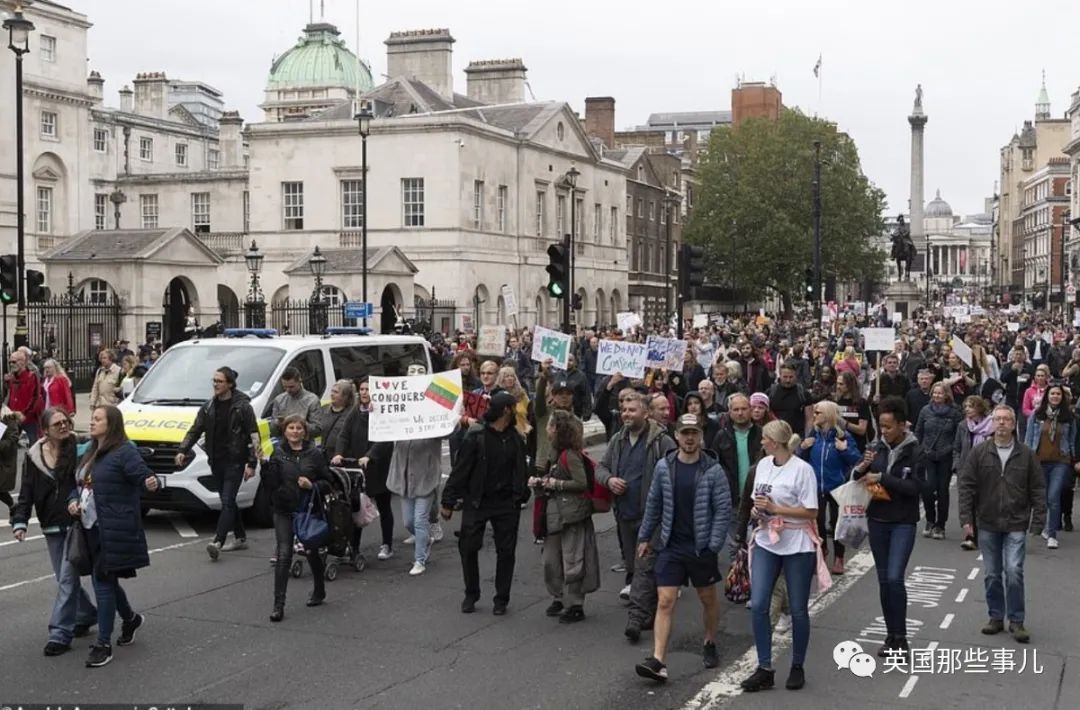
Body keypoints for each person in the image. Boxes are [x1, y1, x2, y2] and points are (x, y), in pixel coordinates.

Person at [634, 413, 731, 683]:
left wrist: (713, 544)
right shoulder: (665, 467)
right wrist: (644, 538)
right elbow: (653, 504)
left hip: (700, 548)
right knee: (665, 600)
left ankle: (710, 641)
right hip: (671, 546)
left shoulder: (712, 469)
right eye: (685, 433)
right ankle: (658, 660)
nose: (689, 438)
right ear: (676, 436)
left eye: (694, 433)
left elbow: (722, 510)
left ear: (701, 436)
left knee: (707, 597)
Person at [67, 405, 159, 668]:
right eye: (92, 418)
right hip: (89, 528)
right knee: (105, 579)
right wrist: (72, 501)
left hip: (114, 529)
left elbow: (146, 478)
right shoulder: (89, 450)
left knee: (102, 582)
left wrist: (152, 482)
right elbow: (77, 485)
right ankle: (130, 619)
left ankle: (103, 643)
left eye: (98, 419)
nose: (92, 422)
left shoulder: (124, 451)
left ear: (112, 424)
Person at [739, 420, 824, 692]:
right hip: (766, 538)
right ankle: (764, 667)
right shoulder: (763, 466)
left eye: (764, 438)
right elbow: (757, 499)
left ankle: (797, 665)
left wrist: (777, 509)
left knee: (798, 608)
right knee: (760, 602)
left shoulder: (803, 470)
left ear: (775, 442)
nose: (761, 442)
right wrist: (758, 512)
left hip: (796, 542)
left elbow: (812, 511)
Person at [11, 407, 98, 656]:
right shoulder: (33, 455)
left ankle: (60, 633)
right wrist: (20, 522)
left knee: (68, 580)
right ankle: (87, 614)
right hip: (50, 524)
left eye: (65, 421)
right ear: (45, 431)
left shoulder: (80, 447)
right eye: (57, 423)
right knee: (63, 579)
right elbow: (27, 491)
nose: (63, 426)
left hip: (75, 523)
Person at [958, 404, 1045, 644]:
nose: (1002, 423)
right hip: (987, 522)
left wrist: (1038, 521)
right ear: (992, 423)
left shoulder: (1026, 454)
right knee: (992, 574)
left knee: (1014, 571)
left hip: (1016, 522)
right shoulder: (979, 453)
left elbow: (1038, 488)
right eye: (998, 419)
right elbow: (966, 486)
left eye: (1007, 419)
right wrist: (966, 519)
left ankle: (1016, 620)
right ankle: (996, 616)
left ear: (1014, 424)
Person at [595, 392, 676, 641]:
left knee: (643, 566)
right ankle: (651, 612)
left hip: (651, 518)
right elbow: (601, 467)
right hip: (624, 515)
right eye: (624, 409)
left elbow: (676, 473)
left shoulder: (662, 441)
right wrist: (609, 480)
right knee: (635, 565)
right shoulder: (618, 439)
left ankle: (636, 617)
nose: (626, 414)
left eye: (632, 410)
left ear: (646, 413)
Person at [851, 396, 926, 658]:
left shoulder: (915, 451)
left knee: (895, 577)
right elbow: (858, 478)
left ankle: (902, 637)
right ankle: (891, 635)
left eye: (889, 426)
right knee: (884, 581)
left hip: (903, 522)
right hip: (878, 519)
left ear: (903, 425)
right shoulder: (875, 447)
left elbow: (916, 488)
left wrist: (884, 478)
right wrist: (861, 468)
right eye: (881, 426)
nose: (884, 431)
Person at [441, 392, 529, 615]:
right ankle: (471, 593)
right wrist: (448, 500)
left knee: (506, 551)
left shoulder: (515, 439)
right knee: (468, 547)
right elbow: (461, 470)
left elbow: (521, 470)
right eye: (514, 407)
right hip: (477, 501)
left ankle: (501, 599)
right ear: (506, 410)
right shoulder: (477, 436)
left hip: (506, 503)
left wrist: (520, 495)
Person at [176, 366, 260, 560]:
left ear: (230, 384)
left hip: (235, 461)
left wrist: (252, 463)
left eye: (219, 381)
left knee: (228, 500)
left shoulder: (243, 407)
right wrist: (183, 450)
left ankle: (217, 541)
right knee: (227, 500)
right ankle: (240, 537)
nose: (215, 384)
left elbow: (253, 436)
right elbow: (195, 430)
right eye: (214, 380)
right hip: (216, 460)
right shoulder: (209, 406)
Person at [532, 410, 600, 624]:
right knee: (551, 560)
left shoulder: (570, 455)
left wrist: (557, 484)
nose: (547, 430)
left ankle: (575, 604)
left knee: (573, 559)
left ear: (557, 430)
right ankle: (559, 596)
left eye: (550, 426)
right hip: (554, 515)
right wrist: (541, 481)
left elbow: (581, 483)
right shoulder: (554, 452)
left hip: (571, 515)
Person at [261, 414, 331, 621]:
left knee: (311, 551)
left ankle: (319, 590)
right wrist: (264, 468)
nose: (295, 432)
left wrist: (313, 485)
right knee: (284, 555)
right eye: (291, 428)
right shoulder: (278, 452)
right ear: (284, 431)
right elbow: (270, 484)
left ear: (305, 431)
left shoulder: (315, 454)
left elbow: (329, 482)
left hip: (307, 509)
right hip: (284, 509)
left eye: (299, 428)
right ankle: (278, 605)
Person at [387, 364, 445, 576]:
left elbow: (450, 428)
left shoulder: (435, 401)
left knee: (420, 520)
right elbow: (381, 423)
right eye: (411, 373)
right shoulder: (398, 400)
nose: (415, 377)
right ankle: (425, 537)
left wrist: (455, 417)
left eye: (420, 374)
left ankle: (419, 559)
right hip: (404, 471)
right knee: (409, 521)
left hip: (425, 472)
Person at [333, 377, 394, 560]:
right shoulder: (354, 412)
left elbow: (385, 437)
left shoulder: (383, 412)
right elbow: (344, 435)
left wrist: (370, 455)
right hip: (358, 468)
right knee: (356, 506)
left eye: (368, 389)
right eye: (362, 389)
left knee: (384, 507)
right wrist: (339, 453)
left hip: (378, 467)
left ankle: (387, 544)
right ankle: (354, 546)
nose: (365, 392)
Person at [798, 400, 862, 574]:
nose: (814, 415)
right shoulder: (813, 435)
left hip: (836, 486)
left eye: (818, 412)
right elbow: (800, 460)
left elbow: (857, 460)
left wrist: (844, 450)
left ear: (828, 415)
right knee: (816, 522)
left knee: (836, 523)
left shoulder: (843, 436)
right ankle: (822, 552)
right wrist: (803, 448)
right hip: (815, 486)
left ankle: (839, 557)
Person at [1023, 384, 1075, 550]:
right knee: (1042, 497)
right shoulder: (1037, 415)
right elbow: (1029, 437)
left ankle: (1052, 534)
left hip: (1060, 462)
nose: (1055, 396)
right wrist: (1026, 458)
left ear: (1062, 397)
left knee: (1053, 497)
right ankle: (1043, 525)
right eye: (1052, 393)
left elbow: (1072, 440)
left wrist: (1073, 458)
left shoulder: (1069, 418)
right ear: (1047, 396)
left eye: (1058, 394)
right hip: (1039, 461)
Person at [914, 382, 962, 540]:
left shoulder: (954, 413)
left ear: (946, 395)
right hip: (927, 455)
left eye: (940, 393)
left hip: (945, 457)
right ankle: (929, 519)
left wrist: (949, 450)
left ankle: (940, 525)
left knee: (942, 491)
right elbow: (918, 431)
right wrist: (919, 450)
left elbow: (958, 436)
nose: (936, 396)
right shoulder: (925, 411)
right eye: (934, 393)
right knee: (927, 488)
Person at [952, 396, 994, 550]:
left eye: (971, 406)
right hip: (966, 469)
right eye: (966, 406)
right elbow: (956, 448)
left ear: (979, 408)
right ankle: (970, 536)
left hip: (986, 470)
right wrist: (957, 466)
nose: (967, 409)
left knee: (982, 503)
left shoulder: (992, 425)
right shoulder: (963, 426)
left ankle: (986, 533)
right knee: (966, 503)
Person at [713, 393, 762, 515]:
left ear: (750, 410)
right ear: (729, 412)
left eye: (744, 409)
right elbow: (714, 465)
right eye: (736, 409)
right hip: (731, 499)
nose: (740, 413)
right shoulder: (722, 436)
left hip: (758, 500)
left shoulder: (762, 434)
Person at [268, 367, 322, 439]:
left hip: (305, 444)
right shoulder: (279, 400)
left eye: (291, 387)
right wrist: (277, 422)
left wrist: (299, 423)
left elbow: (317, 429)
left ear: (299, 382)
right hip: (284, 444)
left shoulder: (312, 400)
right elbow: (272, 430)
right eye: (285, 387)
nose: (288, 390)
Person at [6, 348, 44, 442]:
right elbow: (10, 396)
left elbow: (35, 397)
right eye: (10, 362)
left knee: (34, 444)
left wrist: (25, 413)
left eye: (14, 362)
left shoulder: (32, 376)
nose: (11, 364)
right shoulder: (12, 378)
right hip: (14, 417)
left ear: (22, 362)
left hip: (29, 418)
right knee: (10, 443)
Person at [768, 363, 811, 436]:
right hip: (775, 435)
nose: (788, 380)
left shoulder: (803, 393)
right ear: (780, 376)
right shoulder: (771, 392)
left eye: (791, 377)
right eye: (785, 377)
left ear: (796, 376)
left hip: (797, 436)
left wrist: (808, 436)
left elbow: (809, 418)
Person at [314, 379, 355, 456]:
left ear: (345, 396)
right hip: (324, 454)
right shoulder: (324, 409)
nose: (332, 394)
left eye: (336, 392)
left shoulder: (352, 413)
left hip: (343, 456)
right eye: (332, 391)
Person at [834, 370, 872, 453]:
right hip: (838, 445)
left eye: (841, 384)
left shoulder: (861, 403)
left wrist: (844, 423)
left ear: (850, 385)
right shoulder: (835, 402)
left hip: (856, 446)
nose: (838, 387)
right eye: (837, 383)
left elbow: (862, 430)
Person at [0, 407, 20, 515]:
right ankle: (13, 505)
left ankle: (13, 505)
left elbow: (12, 440)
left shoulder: (7, 416)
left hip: (3, 461)